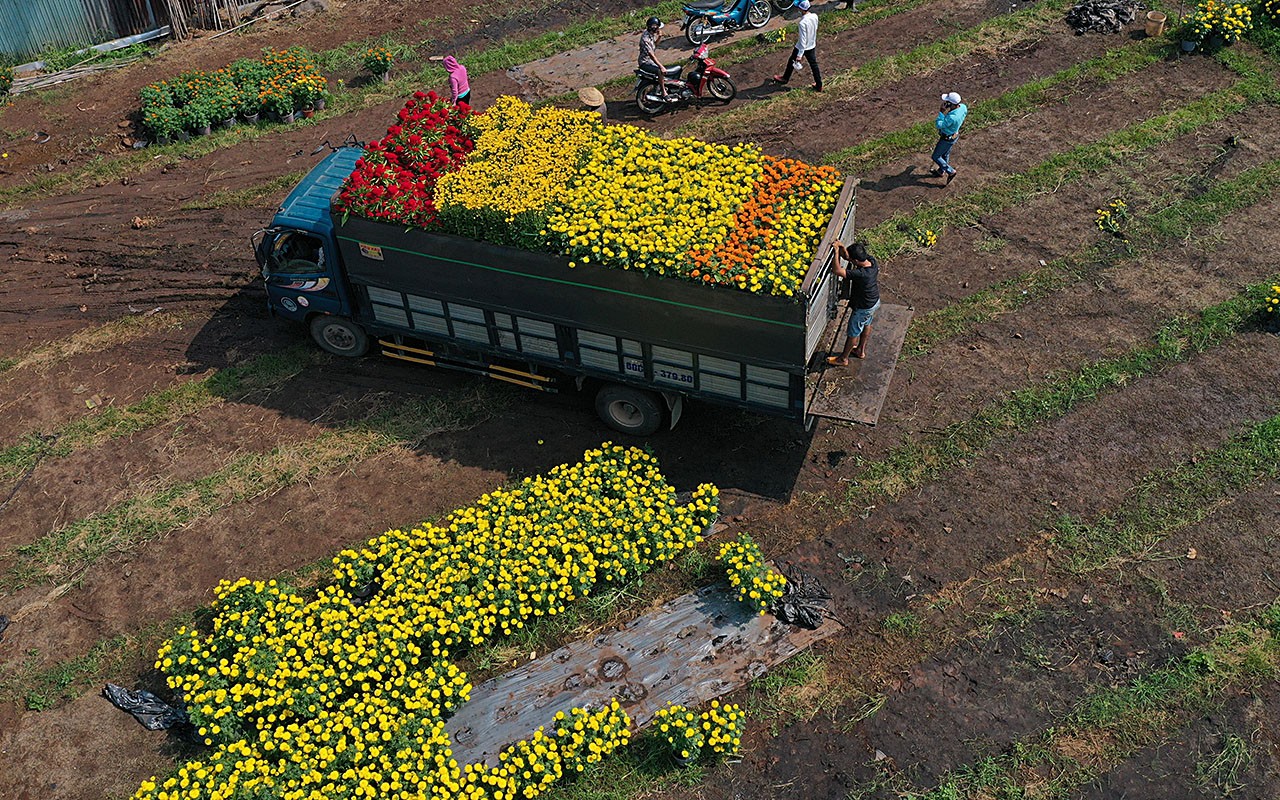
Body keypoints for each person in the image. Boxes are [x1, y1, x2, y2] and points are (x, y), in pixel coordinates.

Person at [826, 241, 880, 365]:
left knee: (853, 333)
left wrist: (835, 252)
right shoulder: (871, 261)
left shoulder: (861, 274)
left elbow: (837, 271)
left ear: (855, 260)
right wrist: (842, 248)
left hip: (863, 307)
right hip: (873, 302)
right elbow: (848, 257)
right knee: (866, 324)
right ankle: (860, 350)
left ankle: (843, 359)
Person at [772, 0, 822, 92]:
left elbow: (803, 40)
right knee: (814, 65)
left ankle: (785, 78)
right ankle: (819, 85)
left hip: (801, 47)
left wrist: (800, 55)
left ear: (801, 9)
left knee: (792, 60)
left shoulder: (802, 23)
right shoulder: (815, 16)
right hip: (812, 44)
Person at [931, 91, 967, 184]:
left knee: (935, 156)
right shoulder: (963, 107)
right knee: (945, 154)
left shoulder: (952, 117)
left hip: (946, 138)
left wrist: (941, 112)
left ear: (950, 104)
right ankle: (941, 171)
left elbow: (939, 125)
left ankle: (950, 171)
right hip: (954, 135)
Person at [639, 17, 667, 82]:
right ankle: (663, 91)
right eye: (658, 28)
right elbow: (651, 55)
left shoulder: (651, 34)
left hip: (649, 61)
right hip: (645, 62)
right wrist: (661, 66)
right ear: (654, 28)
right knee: (660, 71)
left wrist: (659, 37)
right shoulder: (646, 39)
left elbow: (654, 45)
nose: (659, 29)